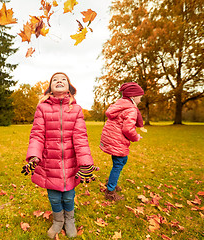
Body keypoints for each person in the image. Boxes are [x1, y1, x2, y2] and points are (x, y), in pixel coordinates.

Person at [21, 72, 98, 239]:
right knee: (54, 197)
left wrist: (85, 162)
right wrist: (34, 156)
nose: (59, 81)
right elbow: (37, 135)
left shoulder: (76, 109)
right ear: (50, 88)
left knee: (69, 196)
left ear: (69, 88)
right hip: (50, 162)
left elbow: (81, 137)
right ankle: (58, 220)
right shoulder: (42, 108)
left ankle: (70, 219)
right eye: (55, 79)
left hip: (70, 162)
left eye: (63, 79)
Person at [99, 82, 145, 201]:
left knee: (121, 161)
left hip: (111, 138)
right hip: (117, 141)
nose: (140, 100)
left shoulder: (119, 105)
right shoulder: (131, 109)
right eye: (140, 97)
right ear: (133, 97)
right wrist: (136, 137)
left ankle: (111, 181)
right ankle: (110, 191)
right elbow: (128, 129)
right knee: (119, 163)